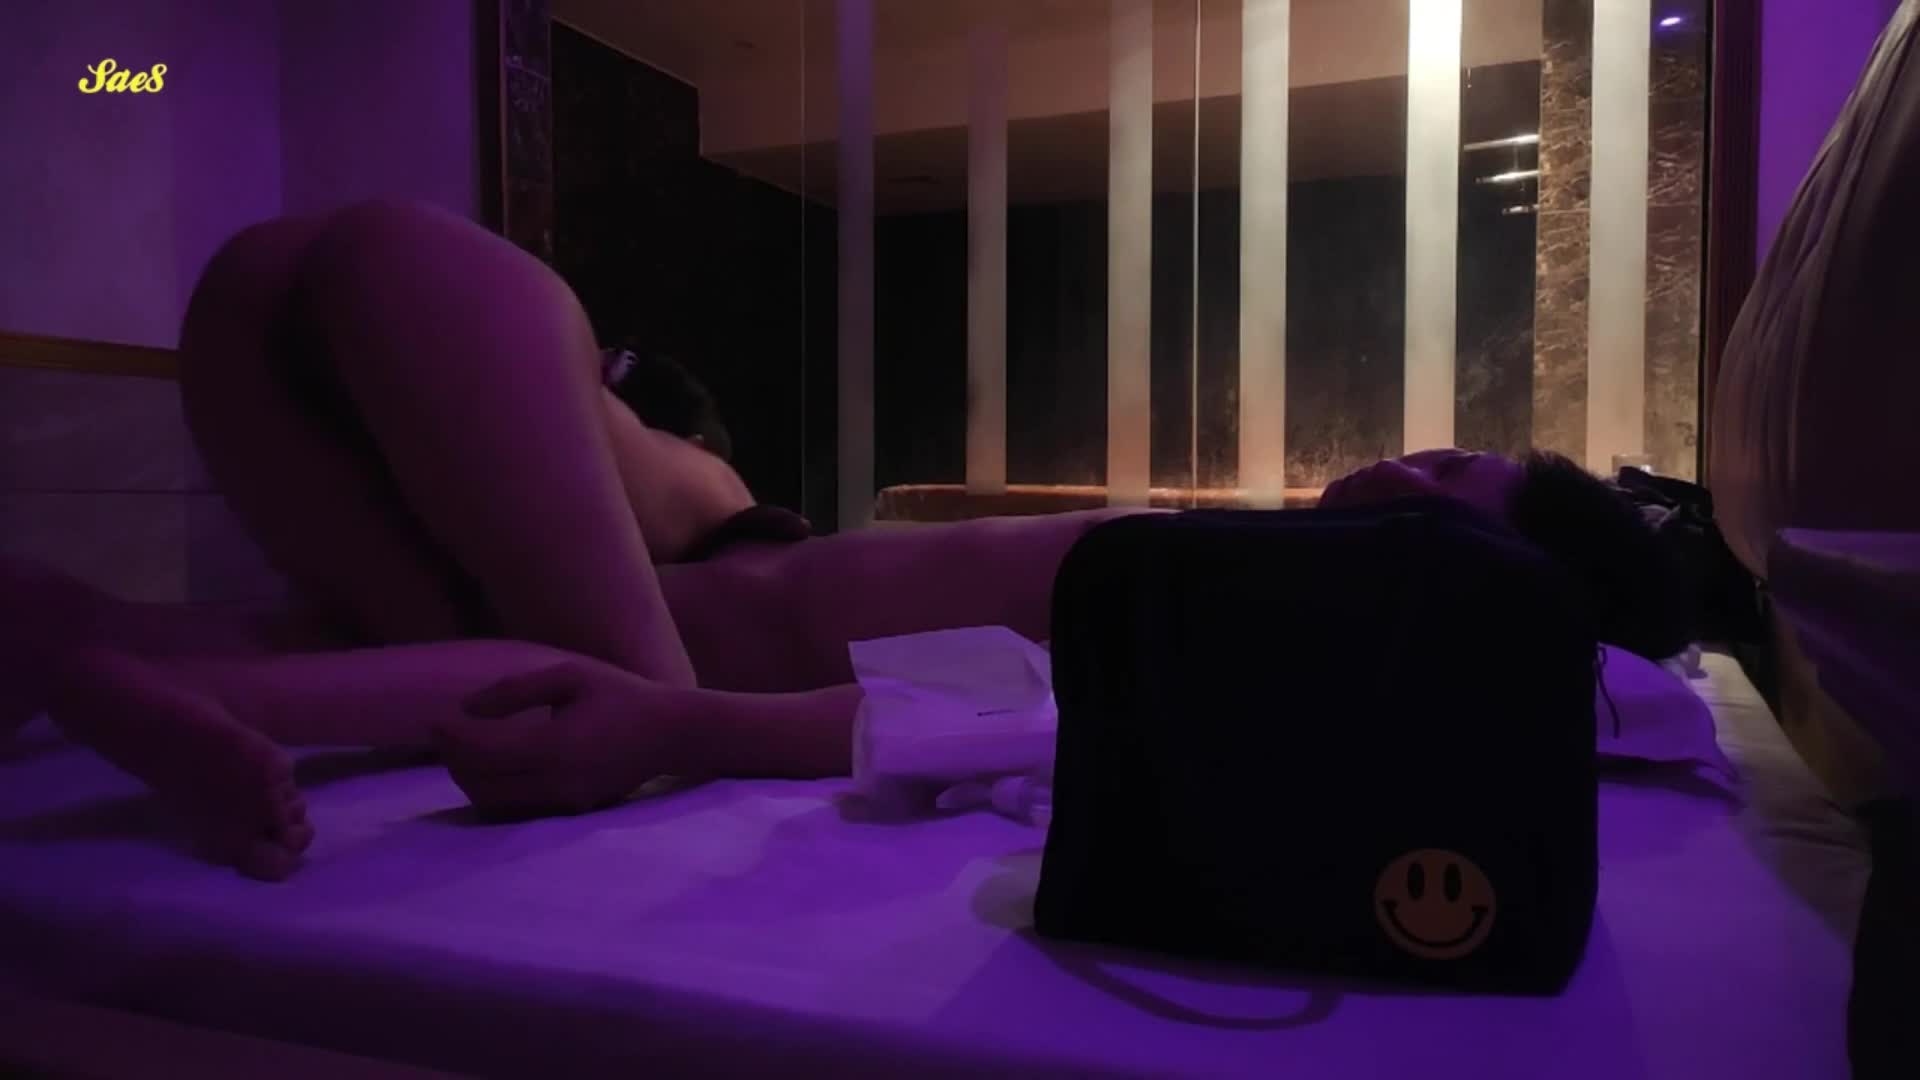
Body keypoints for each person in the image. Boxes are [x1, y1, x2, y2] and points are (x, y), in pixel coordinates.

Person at [1, 200, 1686, 880]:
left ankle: (65, 644)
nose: (1416, 456)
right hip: (442, 312)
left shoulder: (1289, 606)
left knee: (449, 658)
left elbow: (993, 720)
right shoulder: (1218, 577)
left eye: (1461, 470)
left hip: (319, 295)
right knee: (591, 681)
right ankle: (132, 674)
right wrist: (676, 714)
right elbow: (983, 708)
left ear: (1485, 567)